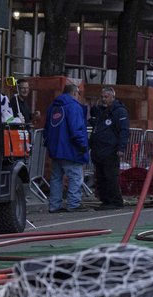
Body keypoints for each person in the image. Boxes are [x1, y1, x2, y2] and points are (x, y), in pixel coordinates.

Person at [45, 81, 90, 213]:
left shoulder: (53, 107)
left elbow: (47, 129)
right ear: (75, 93)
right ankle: (73, 204)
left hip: (55, 149)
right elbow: (76, 129)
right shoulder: (73, 107)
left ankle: (54, 205)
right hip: (71, 149)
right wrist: (82, 145)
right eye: (78, 93)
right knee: (75, 177)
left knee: (56, 178)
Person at [88, 85, 129, 210]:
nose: (104, 99)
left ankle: (115, 200)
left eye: (106, 97)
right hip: (99, 149)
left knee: (111, 177)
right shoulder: (100, 111)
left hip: (111, 150)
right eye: (102, 97)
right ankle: (105, 200)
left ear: (113, 97)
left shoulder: (119, 111)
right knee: (101, 177)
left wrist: (121, 148)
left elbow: (124, 130)